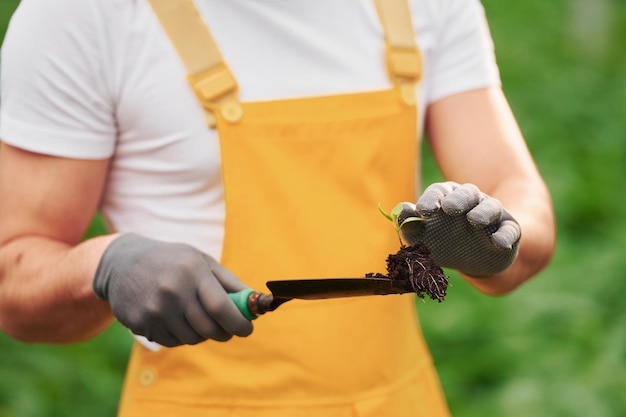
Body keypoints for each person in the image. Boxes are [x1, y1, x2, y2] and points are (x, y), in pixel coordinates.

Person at [0, 0, 556, 416]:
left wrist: (494, 244)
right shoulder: (82, 15)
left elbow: (522, 201)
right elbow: (13, 274)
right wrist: (104, 264)